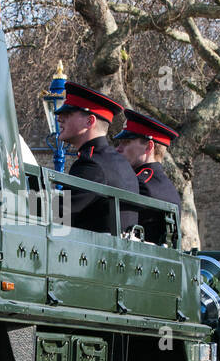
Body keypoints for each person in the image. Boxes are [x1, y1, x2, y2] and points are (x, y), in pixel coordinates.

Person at [53, 83, 140, 234]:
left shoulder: (92, 164)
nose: (59, 118)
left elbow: (60, 214)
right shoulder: (116, 162)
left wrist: (19, 202)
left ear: (89, 122)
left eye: (68, 113)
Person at [113, 108, 181, 244]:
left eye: (126, 142)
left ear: (149, 147)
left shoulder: (140, 185)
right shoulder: (165, 185)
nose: (118, 148)